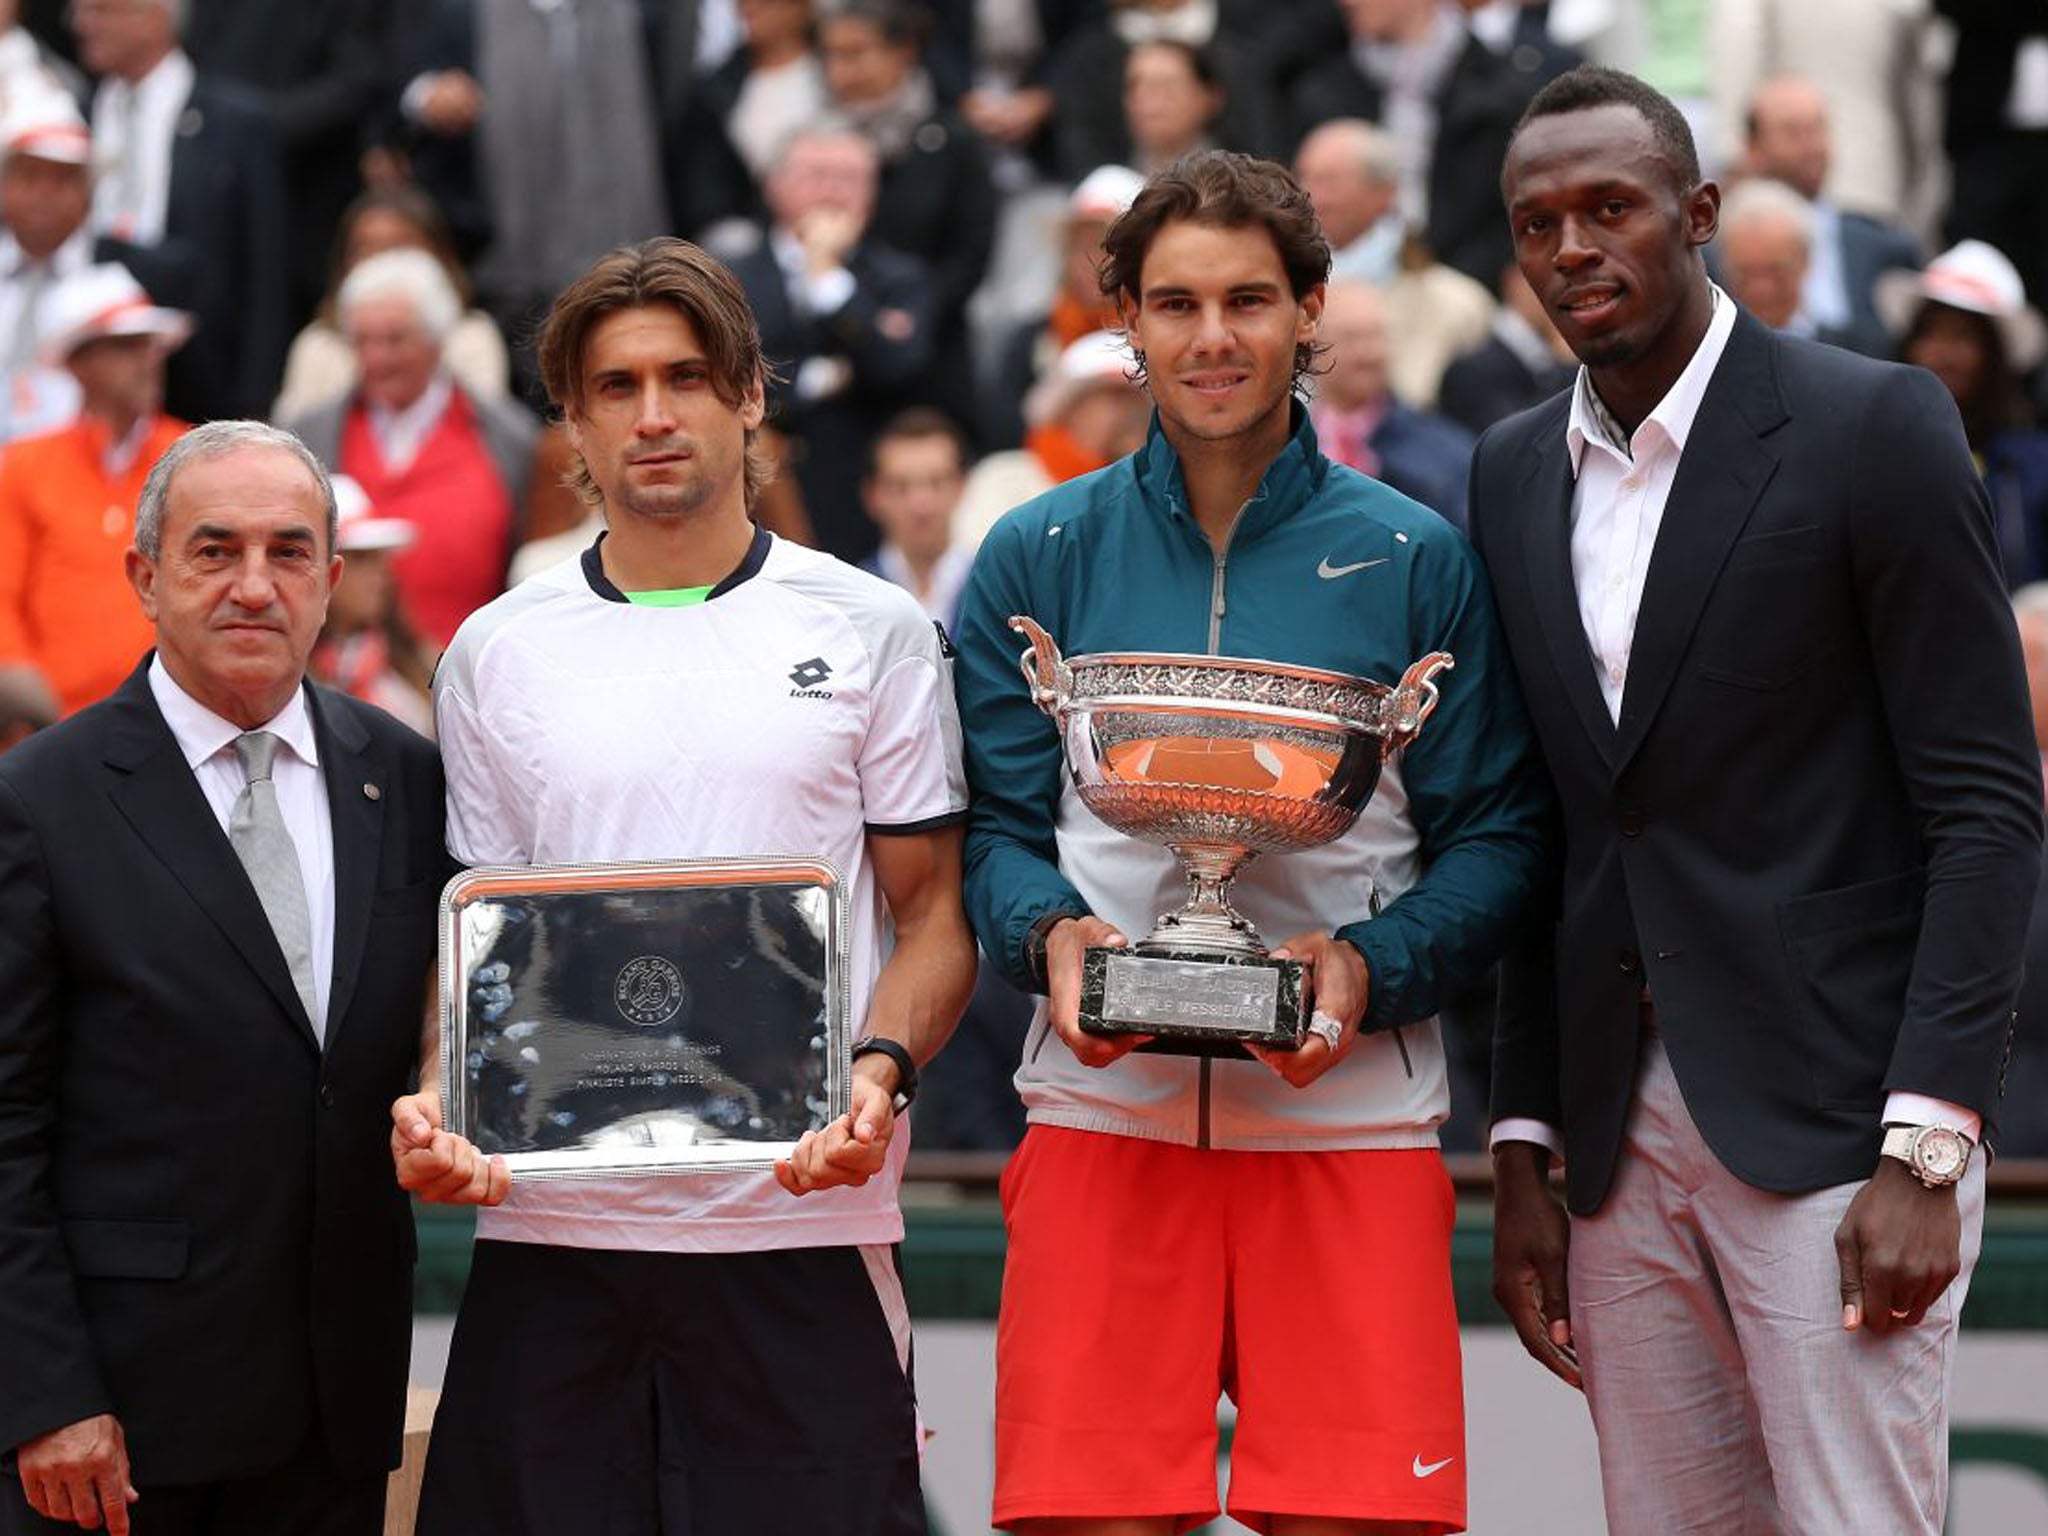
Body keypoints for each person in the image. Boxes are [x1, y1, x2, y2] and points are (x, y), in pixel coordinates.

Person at [1472, 65, 2044, 1536]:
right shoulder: (1512, 467)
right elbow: (1551, 827)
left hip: (1839, 1116)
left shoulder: (1877, 424)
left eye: (1613, 208)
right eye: (1539, 224)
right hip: (1613, 1135)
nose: (1575, 249)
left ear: (1701, 214)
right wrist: (1527, 1140)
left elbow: (1986, 803)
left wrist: (1928, 1142)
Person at [954, 149, 1550, 1536]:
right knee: (1094, 1521)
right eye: (1174, 303)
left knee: (1356, 1524)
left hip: (1349, 1118)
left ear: (1310, 311)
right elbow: (986, 819)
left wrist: (1363, 968)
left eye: (1246, 300)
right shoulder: (1036, 548)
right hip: (1104, 1113)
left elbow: (1502, 838)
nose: (1211, 338)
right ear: (1127, 320)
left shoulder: (1418, 556)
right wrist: (1052, 941)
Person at [392, 236, 976, 1536]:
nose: (655, 415)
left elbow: (935, 916)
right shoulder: (496, 650)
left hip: (800, 1230)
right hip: (556, 1240)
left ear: (751, 395)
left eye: (689, 377)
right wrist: (443, 1098)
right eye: (616, 387)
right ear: (574, 423)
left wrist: (875, 1077)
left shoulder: (871, 629)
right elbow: (486, 939)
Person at [0, 419, 446, 1535]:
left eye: (289, 553)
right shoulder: (40, 799)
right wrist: (46, 1396)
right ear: (146, 578)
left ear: (335, 581)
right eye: (215, 551)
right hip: (116, 1436)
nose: (255, 585)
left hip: (334, 1414)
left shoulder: (405, 775)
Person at [283, 247, 537, 647]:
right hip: (340, 680)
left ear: (437, 340)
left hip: (469, 667)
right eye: (363, 341)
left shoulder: (508, 437)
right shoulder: (307, 436)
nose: (376, 358)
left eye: (395, 340)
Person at [71, 0, 290, 422]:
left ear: (156, 17)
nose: (82, 24)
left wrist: (255, 402)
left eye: (101, 10)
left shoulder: (237, 123)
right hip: (90, 371)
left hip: (205, 379)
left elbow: (266, 274)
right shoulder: (75, 114)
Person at [730, 126, 936, 564]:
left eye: (851, 178)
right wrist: (823, 376)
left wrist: (828, 279)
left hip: (864, 503)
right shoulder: (731, 278)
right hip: (756, 500)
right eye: (819, 174)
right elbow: (732, 378)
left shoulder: (901, 276)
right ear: (775, 184)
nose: (833, 192)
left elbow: (900, 365)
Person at [0, 263, 190, 727]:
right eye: (126, 346)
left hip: (176, 727)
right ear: (78, 364)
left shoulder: (193, 459)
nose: (148, 359)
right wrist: (30, 705)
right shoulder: (24, 465)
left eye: (151, 345)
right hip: (47, 732)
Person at [1877, 240, 2048, 590]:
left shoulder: (2035, 465)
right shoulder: (1874, 451)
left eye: (1963, 337)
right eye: (1930, 334)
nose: (1943, 354)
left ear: (1995, 357)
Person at [1293, 117, 1497, 410]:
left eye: (1329, 181)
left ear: (1385, 193)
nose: (1311, 196)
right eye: (1304, 177)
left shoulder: (1459, 304)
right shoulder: (1281, 288)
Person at [272, 185, 510, 422]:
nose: (383, 265)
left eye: (399, 248)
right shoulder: (318, 345)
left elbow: (488, 431)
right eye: (366, 250)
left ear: (439, 255)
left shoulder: (472, 337)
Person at [1737, 75, 1919, 352]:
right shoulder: (1707, 253)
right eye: (1792, 132)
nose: (1811, 147)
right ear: (1753, 148)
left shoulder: (1887, 248)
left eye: (1817, 129)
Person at [956, 327, 1151, 546]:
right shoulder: (1003, 478)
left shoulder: (1158, 491)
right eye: (1116, 398)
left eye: (1143, 402)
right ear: (1070, 408)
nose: (1134, 413)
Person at [1311, 279, 1476, 525]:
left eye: (1375, 336)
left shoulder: (1446, 451)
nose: (1367, 353)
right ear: (1311, 349)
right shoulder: (1282, 445)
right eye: (1350, 338)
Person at [0, 90, 95, 443]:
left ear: (88, 192)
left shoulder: (126, 276)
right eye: (30, 175)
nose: (45, 193)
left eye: (62, 179)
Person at [309, 474, 434, 736]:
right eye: (362, 559)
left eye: (381, 558)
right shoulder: (285, 677)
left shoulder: (419, 662)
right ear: (325, 569)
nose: (382, 575)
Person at [857, 406, 976, 630]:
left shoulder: (994, 586)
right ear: (873, 495)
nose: (921, 504)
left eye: (937, 483)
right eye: (901, 487)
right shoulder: (852, 596)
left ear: (961, 486)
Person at [1714, 175, 1866, 348]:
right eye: (1745, 273)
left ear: (1806, 261)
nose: (1761, 290)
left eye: (1776, 271)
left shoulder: (1855, 353)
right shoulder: (1705, 354)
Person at [1437, 261, 1577, 435]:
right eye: (1551, 280)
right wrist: (1568, 366)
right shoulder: (1474, 370)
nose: (1562, 294)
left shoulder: (1545, 357)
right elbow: (1524, 440)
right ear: (1515, 283)